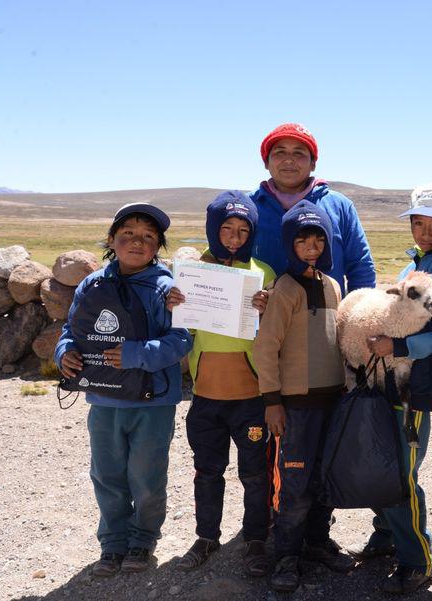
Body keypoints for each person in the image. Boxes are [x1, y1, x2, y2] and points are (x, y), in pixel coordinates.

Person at [54, 203, 192, 577]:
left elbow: (181, 341)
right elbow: (74, 329)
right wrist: (64, 351)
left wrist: (135, 354)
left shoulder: (168, 289)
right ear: (112, 240)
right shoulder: (93, 284)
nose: (137, 241)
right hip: (104, 398)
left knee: (146, 477)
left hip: (153, 401)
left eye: (148, 236)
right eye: (128, 234)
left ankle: (143, 541)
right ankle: (113, 544)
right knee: (107, 474)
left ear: (158, 247)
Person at [351, 183, 432, 594]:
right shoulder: (417, 264)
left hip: (415, 386)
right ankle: (386, 534)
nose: (424, 231)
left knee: (401, 471)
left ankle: (418, 559)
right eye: (418, 222)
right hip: (390, 378)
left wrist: (401, 345)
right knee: (381, 458)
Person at [164, 191, 275, 577]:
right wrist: (174, 304)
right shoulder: (191, 274)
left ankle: (256, 539)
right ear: (213, 229)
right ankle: (206, 537)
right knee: (207, 471)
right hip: (206, 396)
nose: (234, 237)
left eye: (243, 230)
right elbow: (183, 327)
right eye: (226, 228)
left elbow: (276, 333)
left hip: (251, 397)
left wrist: (268, 307)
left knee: (255, 474)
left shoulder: (264, 272)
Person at [254, 200, 354, 593]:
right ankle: (287, 555)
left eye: (318, 238)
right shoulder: (285, 288)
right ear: (289, 243)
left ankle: (317, 542)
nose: (311, 246)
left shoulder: (333, 285)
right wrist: (272, 401)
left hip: (332, 402)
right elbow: (266, 348)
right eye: (302, 239)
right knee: (294, 483)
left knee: (325, 478)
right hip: (295, 406)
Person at [251, 122, 375, 295]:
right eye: (280, 152)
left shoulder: (340, 206)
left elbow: (361, 267)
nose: (289, 159)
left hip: (325, 318)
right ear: (266, 162)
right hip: (262, 319)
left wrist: (360, 316)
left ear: (313, 163)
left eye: (299, 153)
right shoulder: (248, 208)